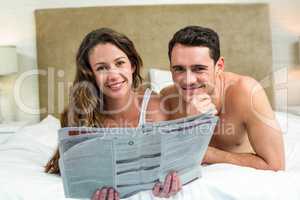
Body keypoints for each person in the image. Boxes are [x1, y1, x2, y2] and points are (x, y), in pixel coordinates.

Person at [45, 28, 182, 200]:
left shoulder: (156, 107)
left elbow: (173, 163)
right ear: (91, 74)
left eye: (119, 63)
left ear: (132, 65)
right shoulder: (81, 115)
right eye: (102, 68)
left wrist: (171, 180)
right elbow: (72, 171)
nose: (113, 75)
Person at [161, 25, 285, 171]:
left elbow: (276, 165)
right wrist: (191, 124)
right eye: (179, 69)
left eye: (199, 69)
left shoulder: (247, 92)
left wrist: (207, 154)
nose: (188, 80)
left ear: (219, 66)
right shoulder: (166, 100)